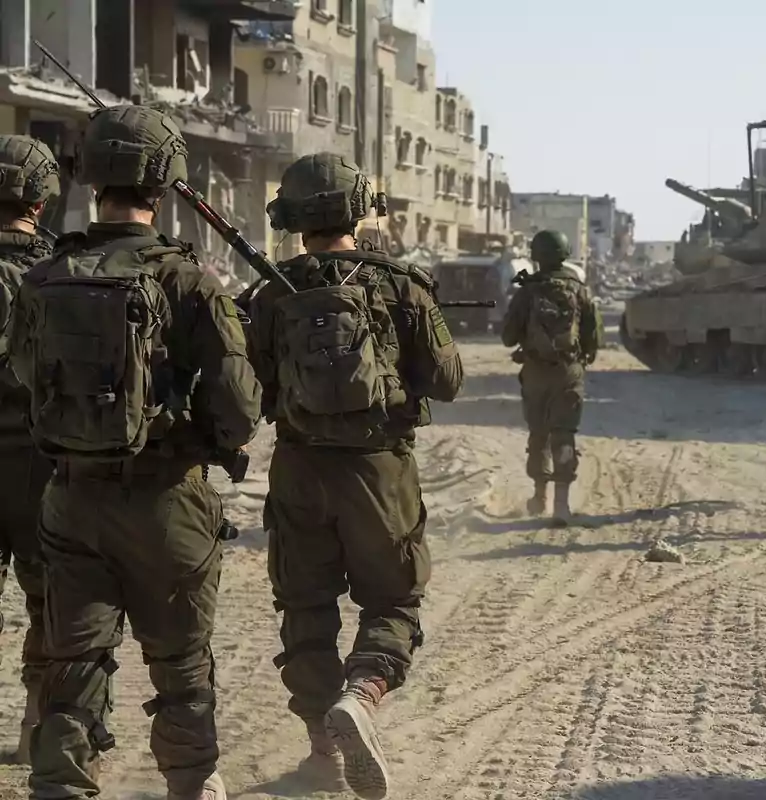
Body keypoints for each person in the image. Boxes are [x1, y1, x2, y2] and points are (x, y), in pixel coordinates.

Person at [6, 105, 262, 800]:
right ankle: (188, 784)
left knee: (74, 662)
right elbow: (239, 411)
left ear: (87, 177)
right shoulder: (191, 282)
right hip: (166, 502)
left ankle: (60, 785)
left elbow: (30, 382)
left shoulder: (45, 277)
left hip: (72, 499)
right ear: (169, 182)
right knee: (181, 666)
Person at [245, 152, 462, 800]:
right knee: (393, 600)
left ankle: (322, 748)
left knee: (305, 607)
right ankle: (364, 695)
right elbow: (447, 381)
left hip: (298, 469)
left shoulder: (269, 291)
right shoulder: (402, 283)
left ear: (290, 216)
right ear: (361, 206)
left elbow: (247, 392)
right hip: (379, 471)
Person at [0, 134, 59, 764]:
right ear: (41, 200)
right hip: (44, 464)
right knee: (51, 604)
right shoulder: (62, 271)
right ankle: (35, 726)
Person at [501, 229, 602, 525]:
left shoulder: (527, 291)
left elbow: (508, 337)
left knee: (539, 434)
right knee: (564, 434)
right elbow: (592, 338)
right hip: (568, 372)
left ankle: (539, 496)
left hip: (535, 372)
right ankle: (561, 505)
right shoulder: (579, 289)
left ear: (536, 256)